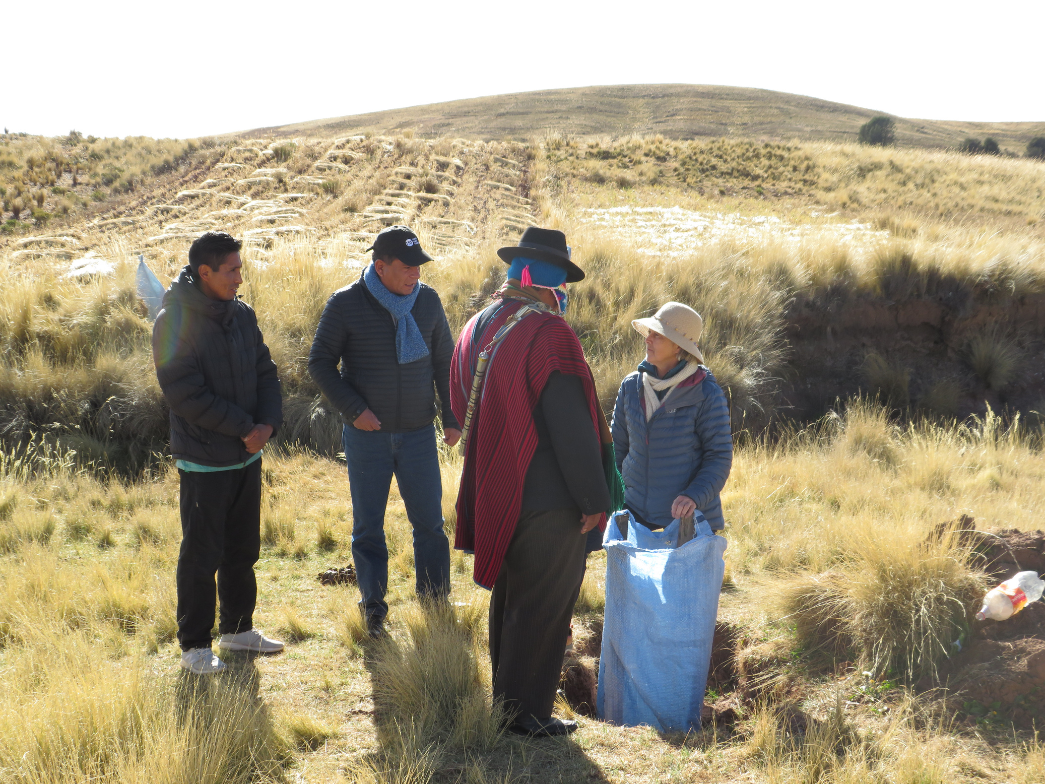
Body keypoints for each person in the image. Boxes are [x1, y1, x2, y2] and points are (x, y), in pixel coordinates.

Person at [451, 227, 610, 737]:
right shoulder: (547, 332)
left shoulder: (479, 324)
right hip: (550, 498)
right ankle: (528, 716)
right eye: (562, 284)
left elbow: (459, 403)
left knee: (513, 599)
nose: (564, 297)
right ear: (550, 282)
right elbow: (570, 425)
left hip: (499, 487)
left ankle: (509, 708)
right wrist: (592, 497)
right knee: (542, 606)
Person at [308, 225, 460, 638]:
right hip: (367, 437)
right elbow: (319, 363)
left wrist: (451, 416)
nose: (416, 273)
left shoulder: (427, 302)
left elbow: (445, 361)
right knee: (368, 526)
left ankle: (435, 601)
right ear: (380, 265)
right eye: (407, 266)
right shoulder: (345, 304)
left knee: (430, 523)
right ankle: (373, 608)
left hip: (417, 434)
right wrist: (354, 409)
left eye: (419, 265)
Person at [152, 231, 284, 675]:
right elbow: (185, 395)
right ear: (204, 272)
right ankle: (194, 646)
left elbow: (266, 371)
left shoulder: (242, 314)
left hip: (247, 455)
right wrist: (247, 427)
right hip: (205, 460)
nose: (239, 277)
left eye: (239, 268)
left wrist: (267, 424)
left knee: (242, 548)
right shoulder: (172, 322)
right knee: (202, 553)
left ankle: (238, 629)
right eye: (232, 270)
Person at [612, 301, 732, 536]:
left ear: (678, 346)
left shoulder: (706, 392)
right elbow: (618, 447)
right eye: (650, 333)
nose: (648, 339)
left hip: (687, 520)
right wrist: (617, 496)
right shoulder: (630, 386)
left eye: (658, 336)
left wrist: (693, 496)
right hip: (634, 515)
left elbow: (719, 456)